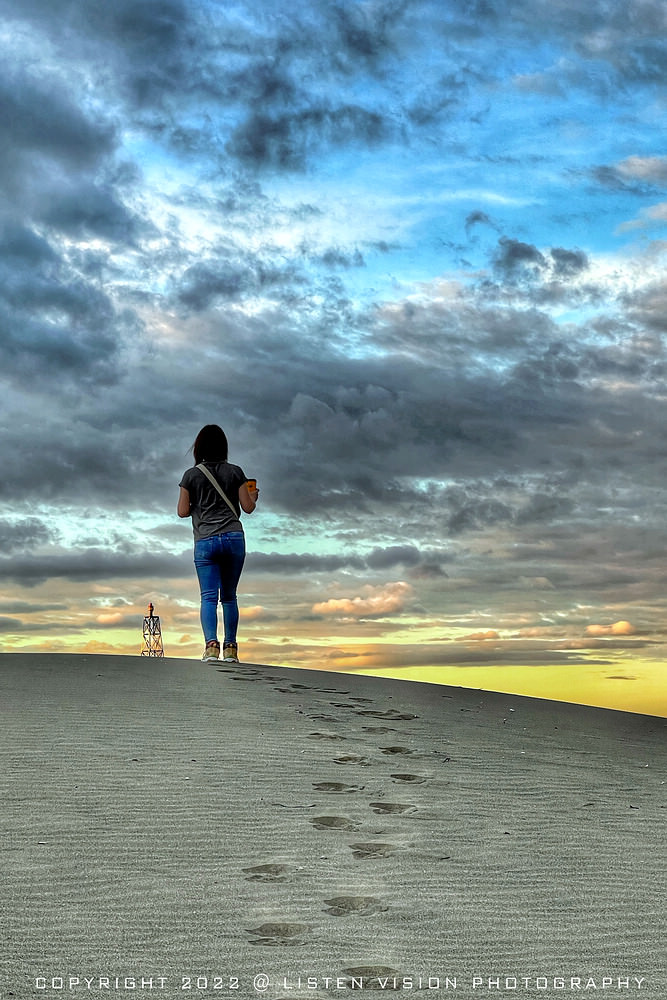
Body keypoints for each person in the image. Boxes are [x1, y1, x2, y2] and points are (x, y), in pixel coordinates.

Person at [178, 424, 259, 663]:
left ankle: (211, 648)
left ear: (198, 447)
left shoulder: (191, 475)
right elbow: (248, 508)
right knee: (230, 597)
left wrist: (199, 505)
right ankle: (231, 649)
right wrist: (252, 496)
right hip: (233, 538)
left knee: (209, 597)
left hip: (205, 540)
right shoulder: (235, 472)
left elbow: (182, 511)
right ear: (224, 446)